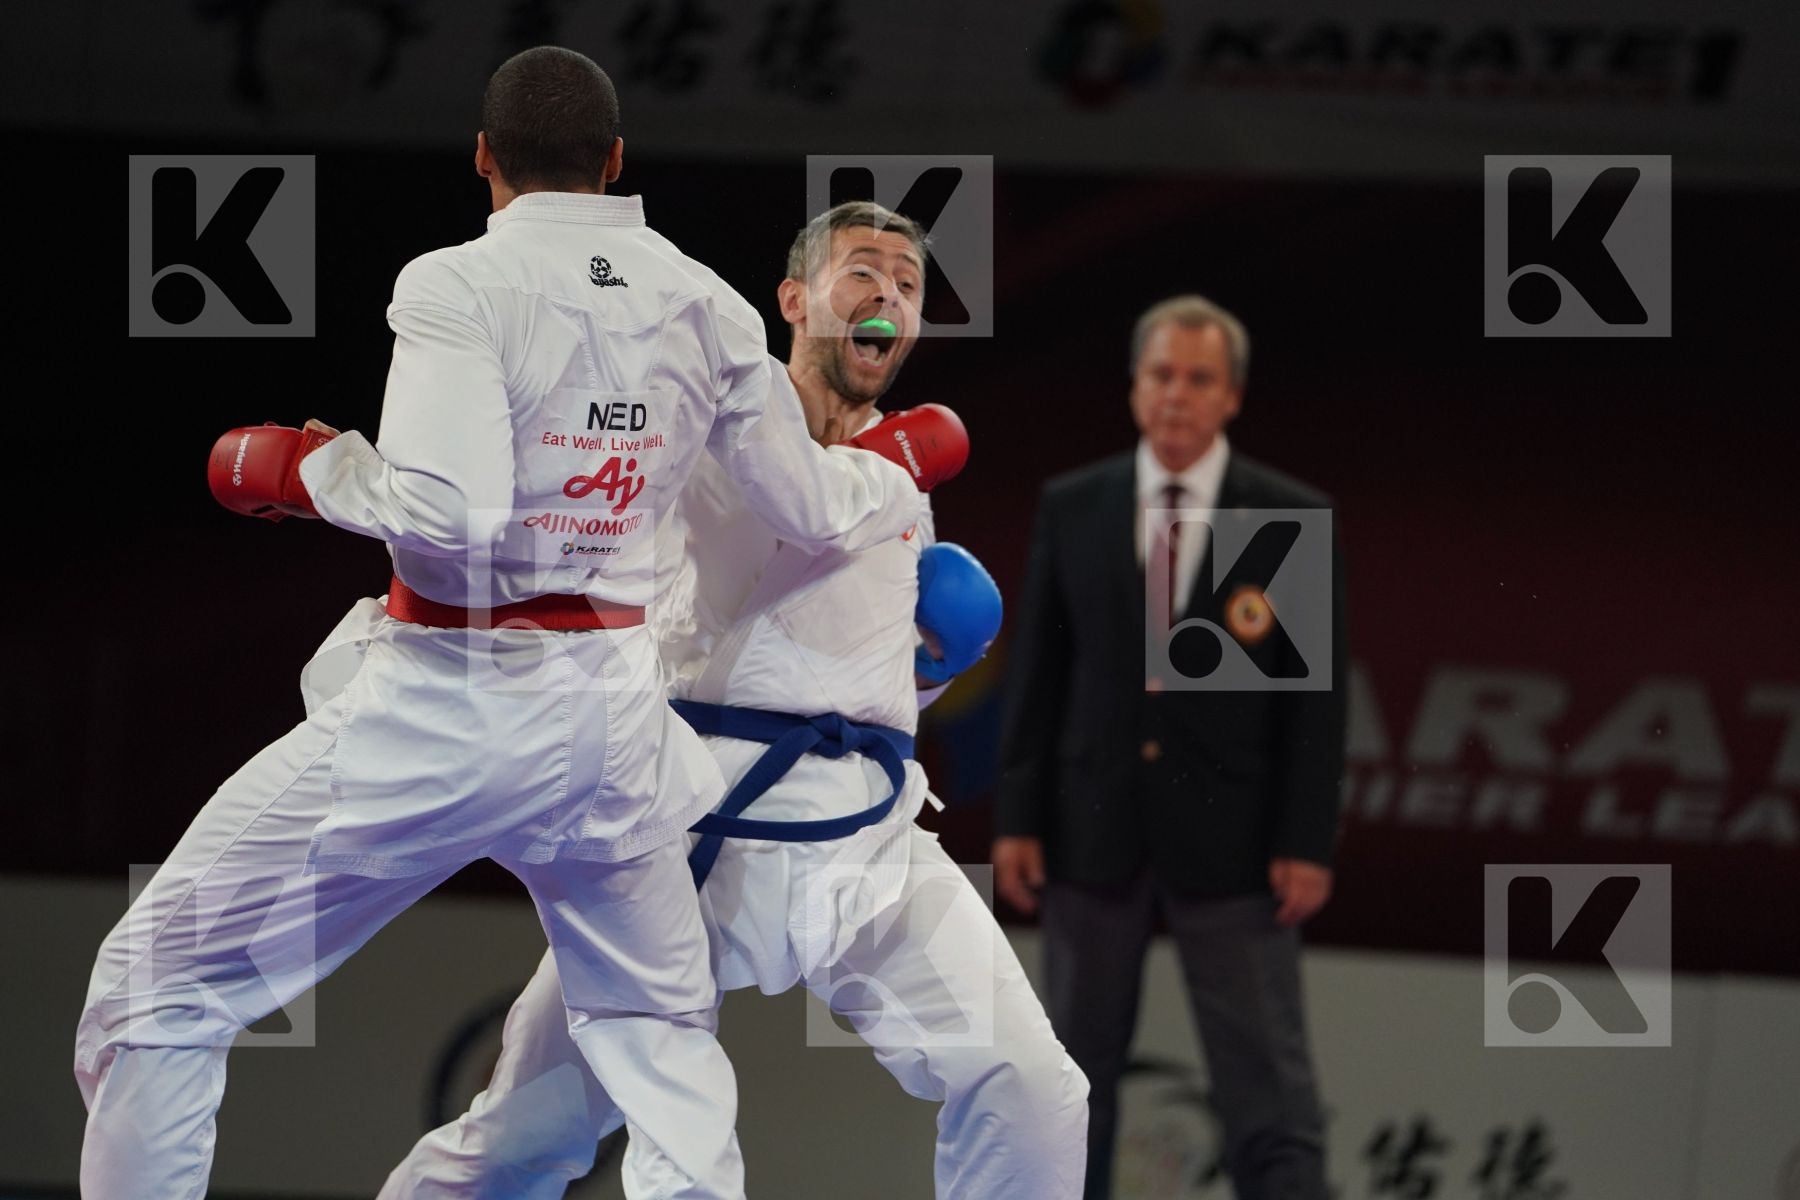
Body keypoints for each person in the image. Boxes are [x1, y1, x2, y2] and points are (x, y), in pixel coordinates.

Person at [73, 48, 949, 1200]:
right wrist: (901, 466)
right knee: (657, 1030)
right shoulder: (709, 304)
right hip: (609, 730)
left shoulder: (455, 284)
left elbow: (454, 515)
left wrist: (312, 467)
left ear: (483, 158)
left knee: (158, 991)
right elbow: (806, 507)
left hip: (449, 701)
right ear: (618, 162)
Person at [378, 201, 1089, 1200]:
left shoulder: (905, 479)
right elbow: (791, 519)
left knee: (1031, 1085)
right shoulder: (709, 423)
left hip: (861, 850)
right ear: (794, 300)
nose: (889, 293)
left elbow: (844, 657)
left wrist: (932, 662)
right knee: (522, 1136)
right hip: (687, 838)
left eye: (910, 285)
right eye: (864, 272)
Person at [993, 294, 1347, 1200]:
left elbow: (1314, 707)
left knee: (1267, 1085)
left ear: (1231, 397)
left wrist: (1306, 842)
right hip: (1091, 827)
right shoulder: (1078, 503)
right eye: (1161, 376)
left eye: (1199, 380)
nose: (1176, 397)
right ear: (1134, 387)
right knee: (1073, 1079)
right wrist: (1019, 816)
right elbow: (1037, 669)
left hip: (1235, 842)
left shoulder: (1281, 513)